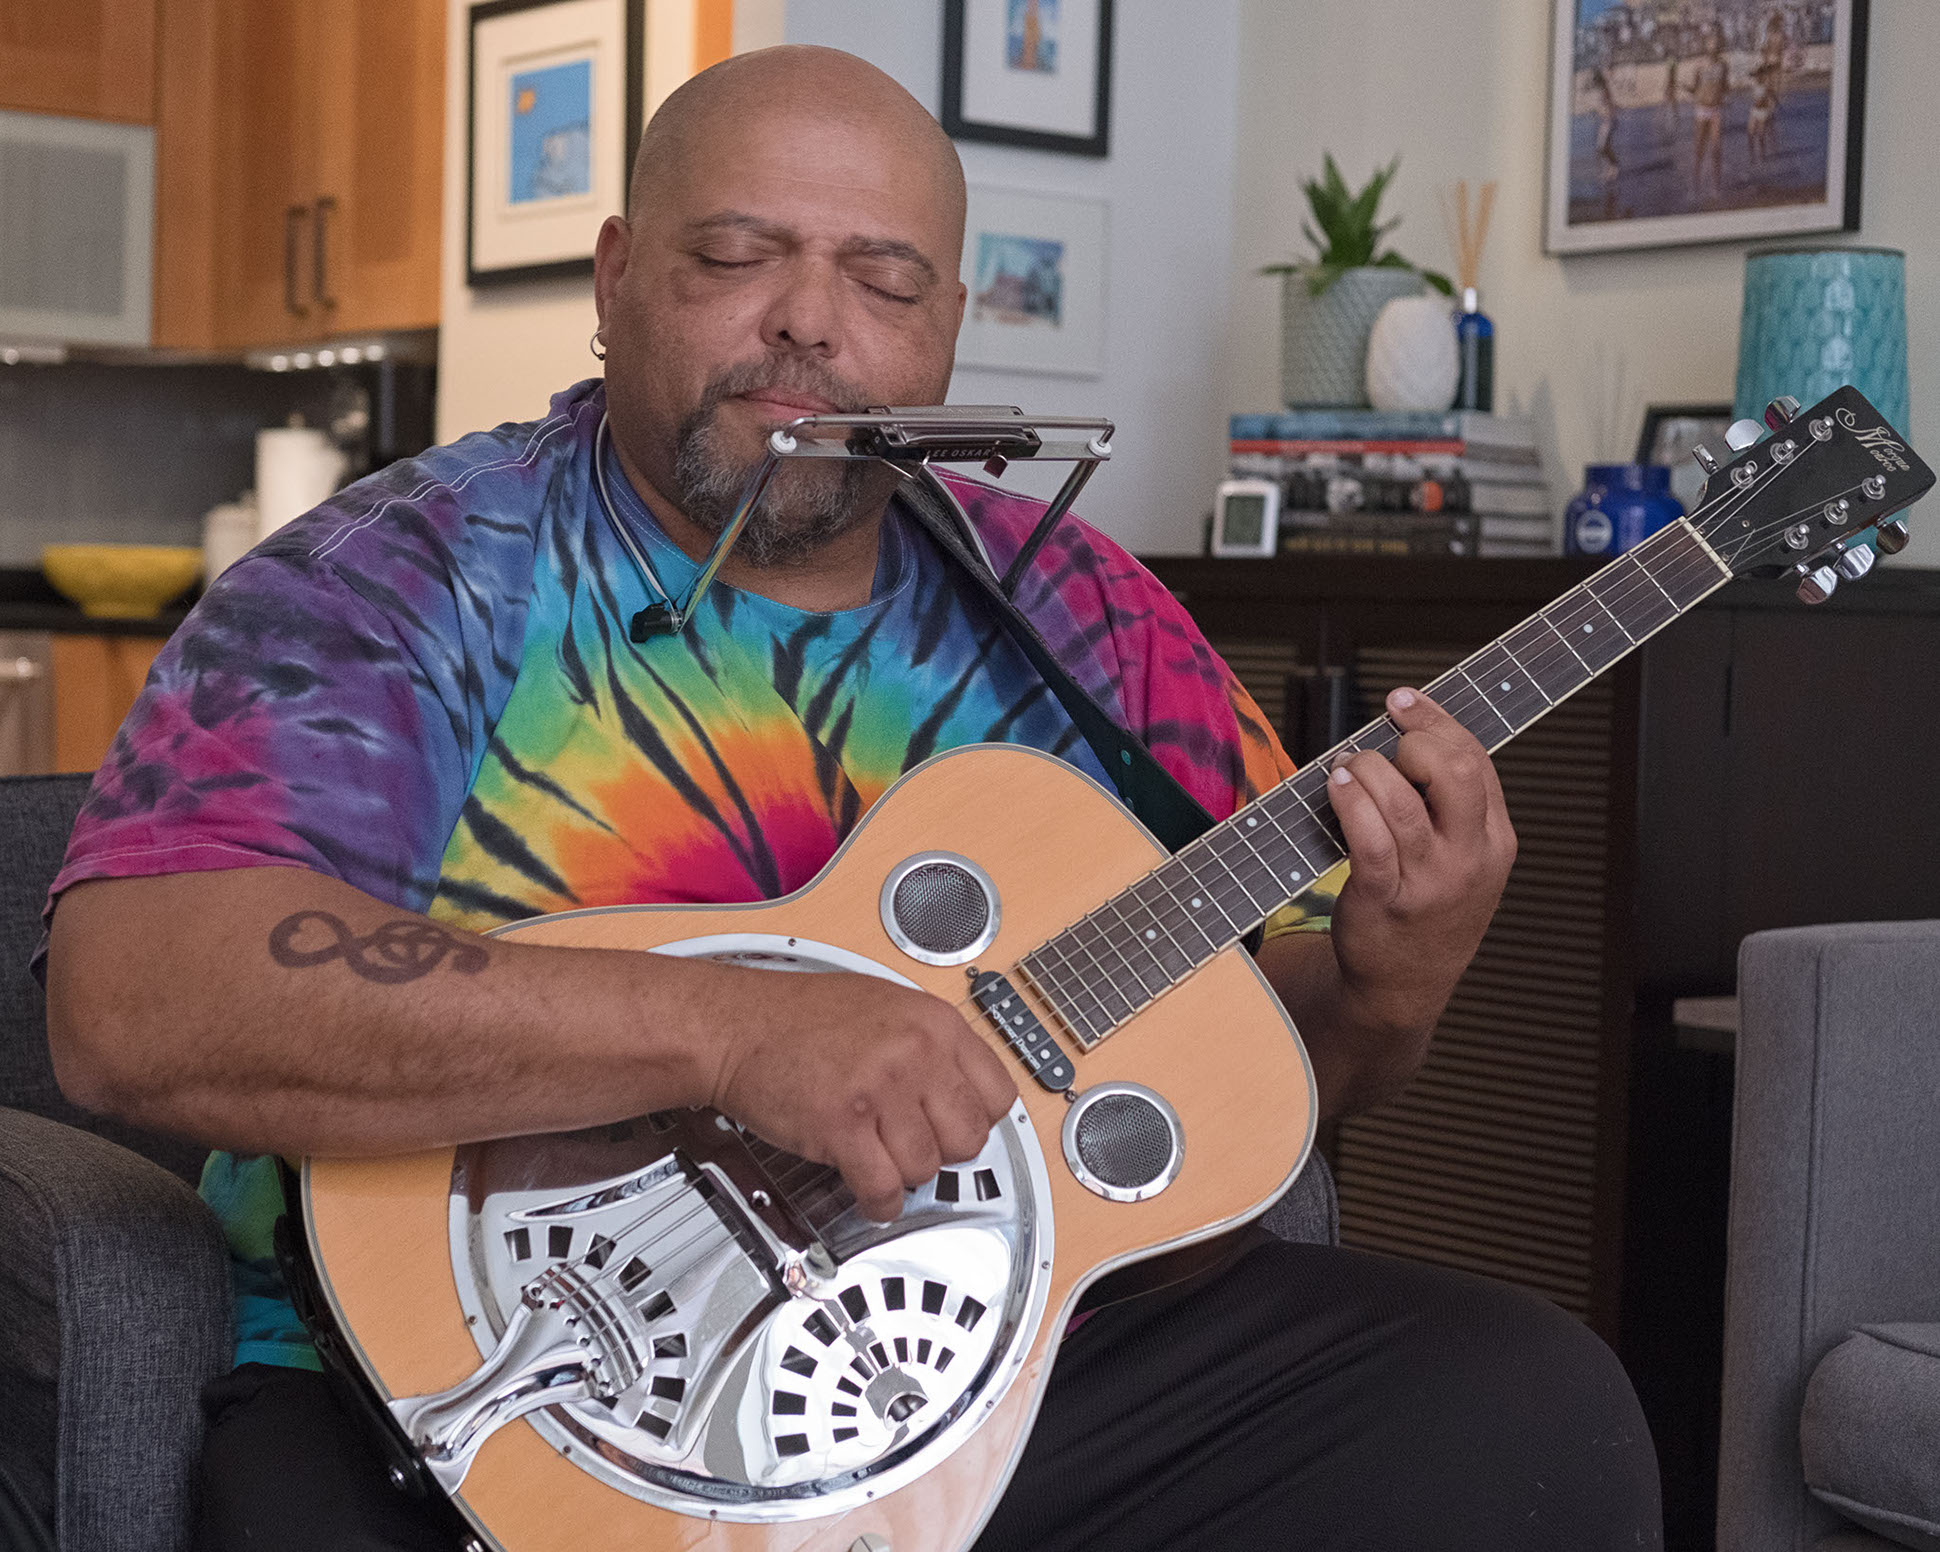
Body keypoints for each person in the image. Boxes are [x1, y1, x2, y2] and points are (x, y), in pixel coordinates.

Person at [42, 45, 1661, 1552]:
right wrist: (736, 1027)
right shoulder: (407, 579)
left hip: (979, 1372)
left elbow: (1236, 1090)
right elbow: (131, 1004)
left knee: (1530, 1408)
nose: (813, 324)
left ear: (949, 324)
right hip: (476, 1401)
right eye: (740, 257)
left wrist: (1393, 982)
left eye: (882, 278)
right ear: (618, 284)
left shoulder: (1079, 610)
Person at [1691, 25, 1730, 200]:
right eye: (1710, 43)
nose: (1713, 46)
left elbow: (1726, 87)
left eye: (1716, 42)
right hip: (1701, 109)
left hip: (1716, 110)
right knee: (1699, 147)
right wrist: (1687, 88)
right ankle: (1696, 183)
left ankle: (1716, 186)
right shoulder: (1699, 65)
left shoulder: (1723, 65)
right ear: (1706, 45)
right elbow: (1694, 87)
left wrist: (1723, 96)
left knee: (1716, 149)